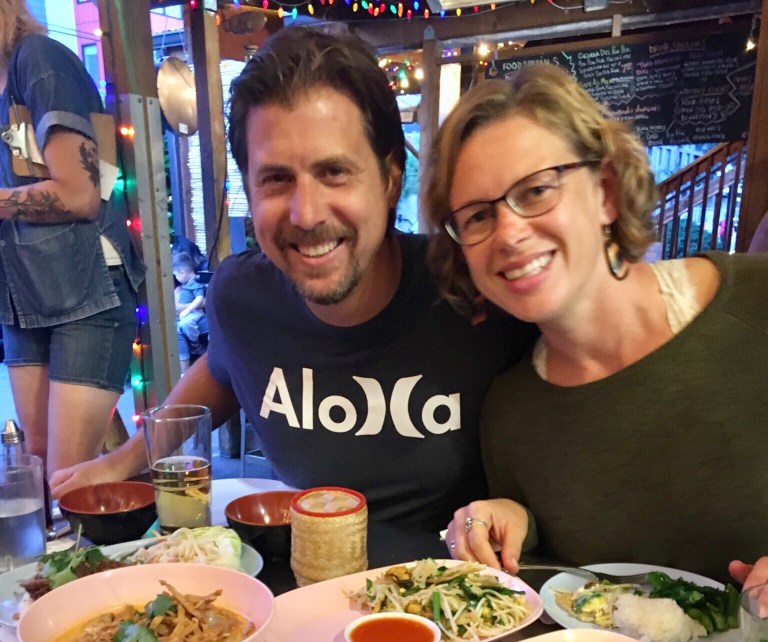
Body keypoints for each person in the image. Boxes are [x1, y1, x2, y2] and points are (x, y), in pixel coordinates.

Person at [50, 25, 533, 532]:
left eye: (334, 172)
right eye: (277, 179)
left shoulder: (472, 288)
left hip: (457, 576)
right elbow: (222, 369)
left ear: (391, 179)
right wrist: (126, 459)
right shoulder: (242, 298)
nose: (306, 214)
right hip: (305, 571)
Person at [428, 66, 767, 584]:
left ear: (605, 191)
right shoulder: (510, 414)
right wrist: (513, 522)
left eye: (536, 190)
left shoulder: (755, 302)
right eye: (477, 216)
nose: (509, 234)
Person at [0, 1, 144, 477]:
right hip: (21, 297)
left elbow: (80, 195)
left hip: (87, 292)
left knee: (66, 477)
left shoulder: (37, 59)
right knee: (39, 466)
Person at [173, 251, 208, 367]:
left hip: (194, 312)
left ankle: (195, 344)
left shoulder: (196, 283)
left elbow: (200, 299)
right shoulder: (185, 284)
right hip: (187, 312)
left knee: (185, 324)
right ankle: (184, 369)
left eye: (176, 275)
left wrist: (187, 310)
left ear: (182, 273)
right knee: (178, 327)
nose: (176, 278)